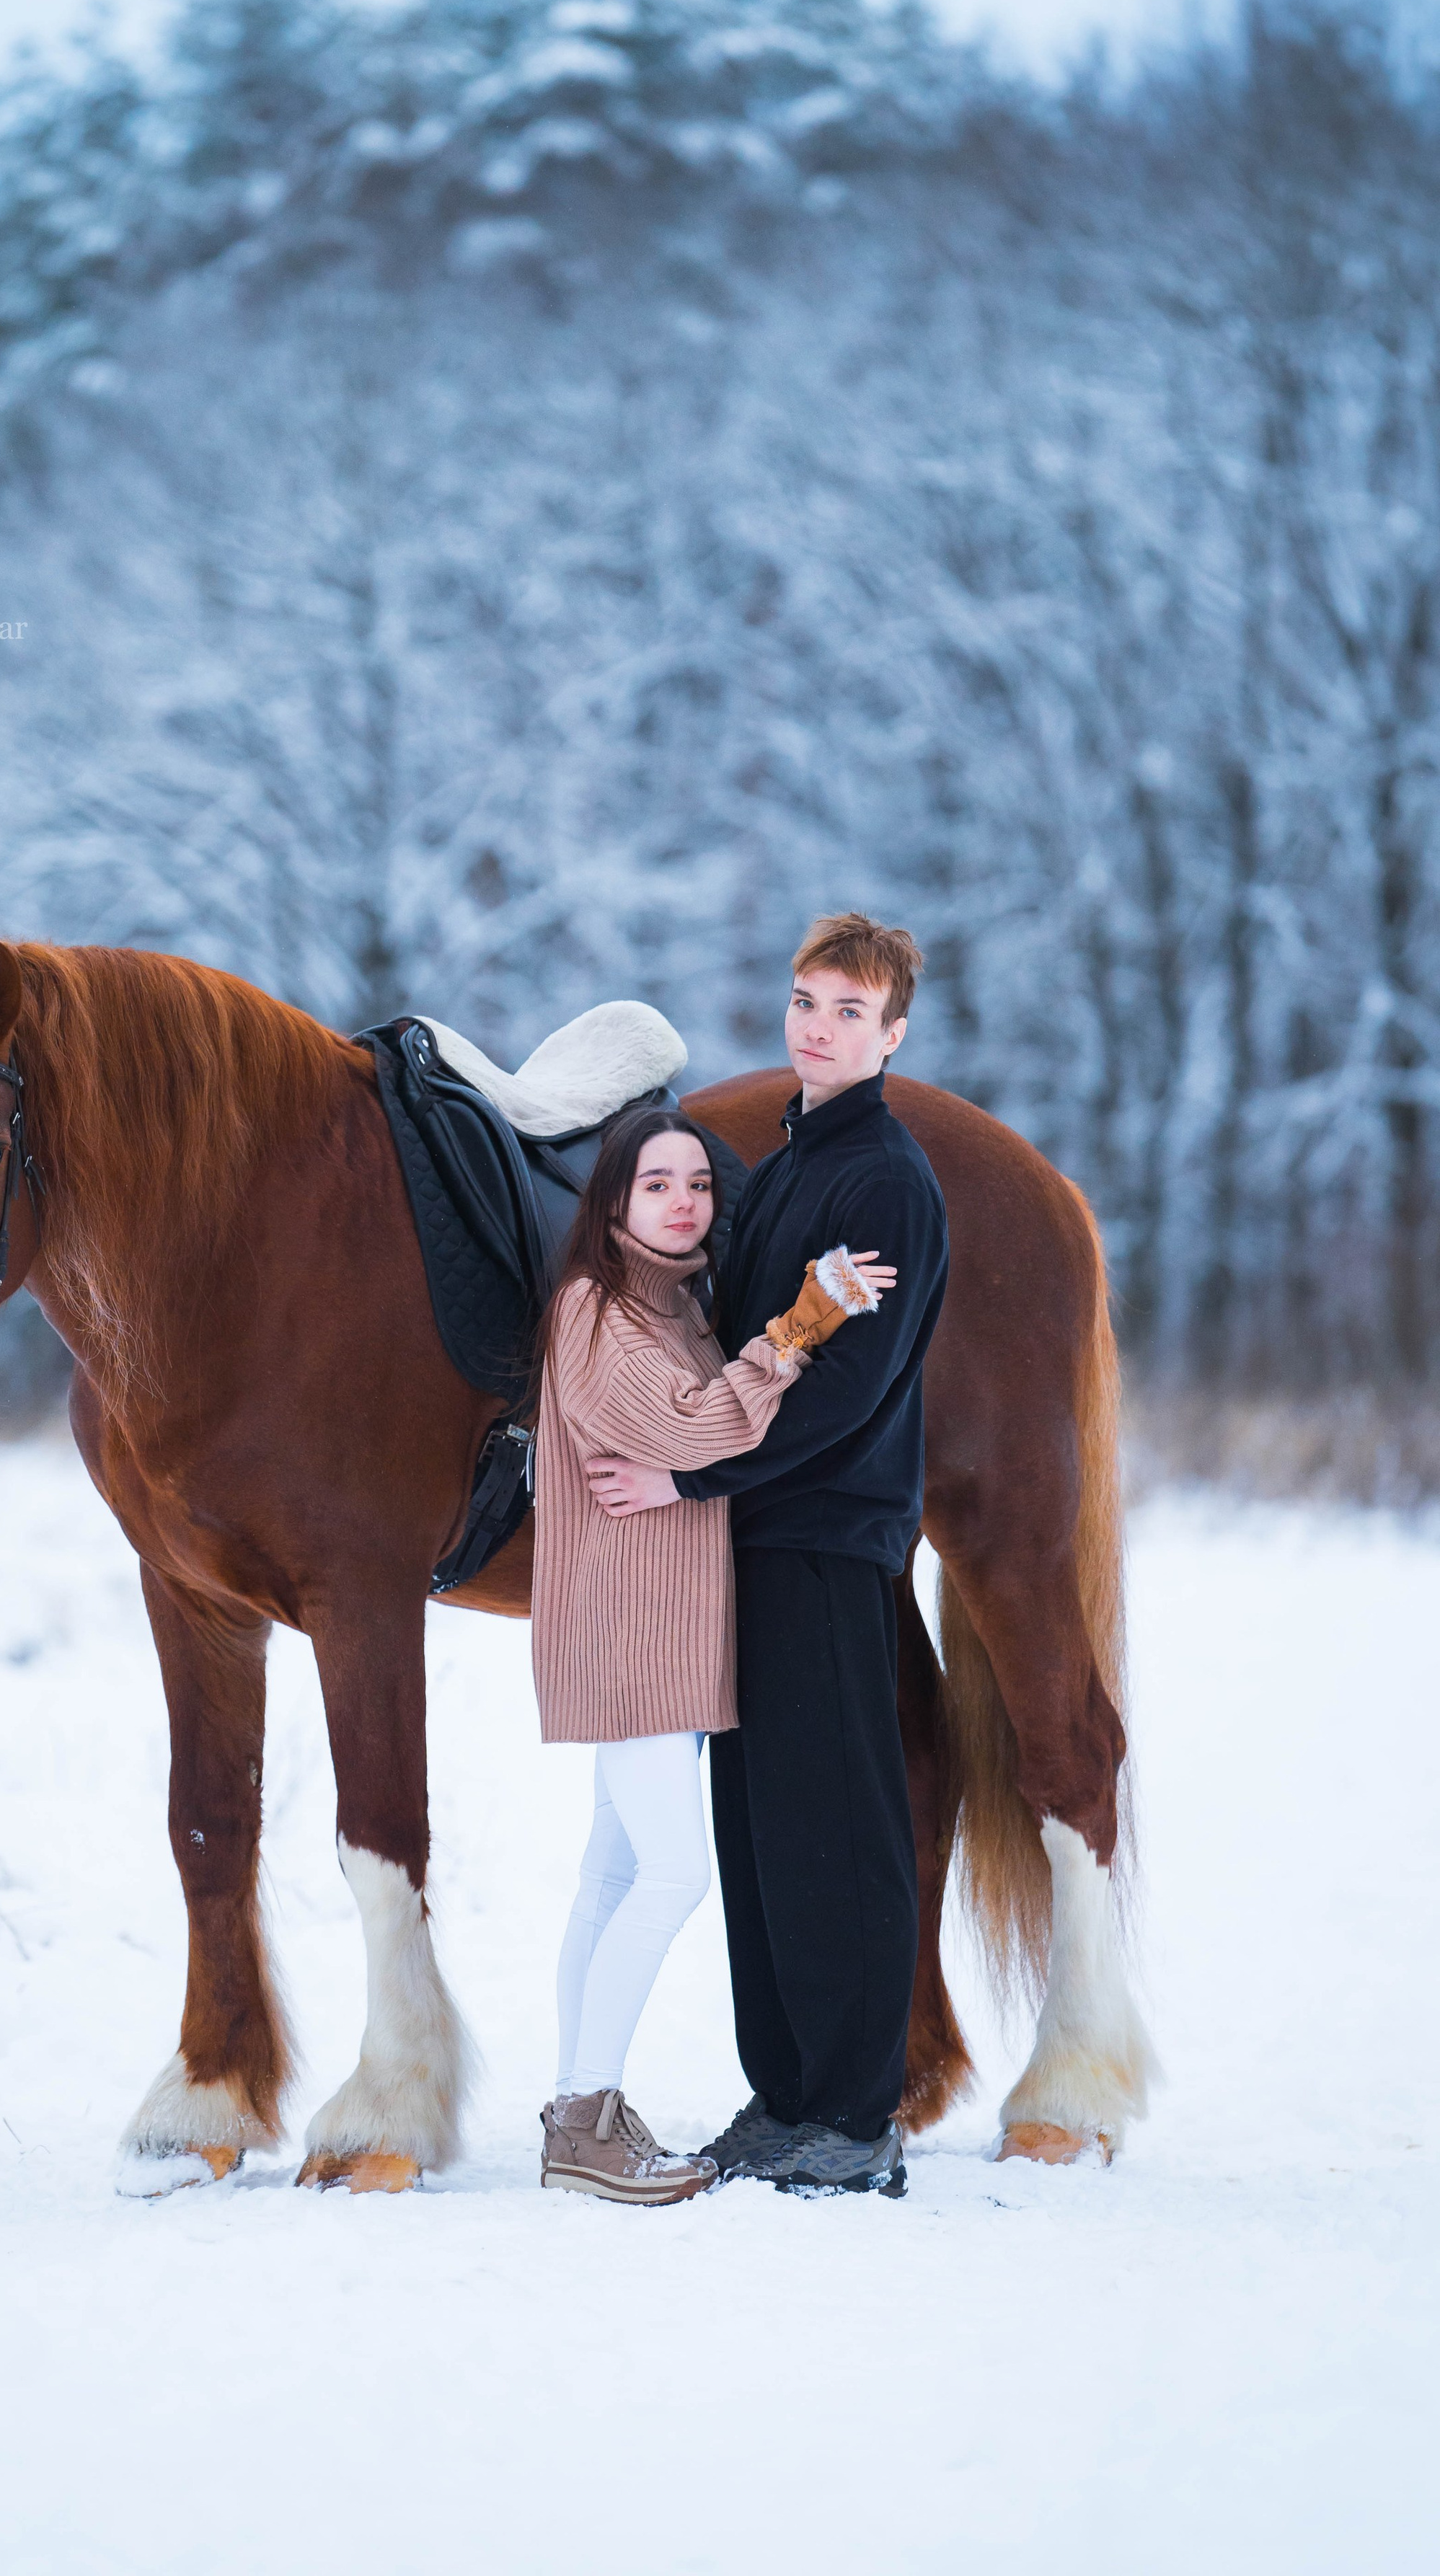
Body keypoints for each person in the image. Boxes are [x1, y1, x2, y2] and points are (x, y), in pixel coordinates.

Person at [588, 913, 948, 2198]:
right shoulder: (789, 1161)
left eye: (848, 1010)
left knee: (838, 1828)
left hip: (821, 1539)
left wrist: (692, 1473)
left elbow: (846, 1393)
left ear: (892, 1033)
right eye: (805, 1000)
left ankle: (853, 2120)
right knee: (762, 1833)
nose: (817, 1025)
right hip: (751, 1538)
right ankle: (785, 2095)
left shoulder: (885, 1179)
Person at [531, 1102, 893, 2203]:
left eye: (698, 1183)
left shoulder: (675, 1303)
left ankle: (574, 2108)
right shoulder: (597, 1308)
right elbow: (697, 1427)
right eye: (656, 1184)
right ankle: (586, 2121)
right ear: (614, 1203)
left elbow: (691, 1435)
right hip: (630, 1629)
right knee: (675, 1873)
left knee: (614, 1873)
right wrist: (800, 1327)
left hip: (663, 1628)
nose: (685, 1201)